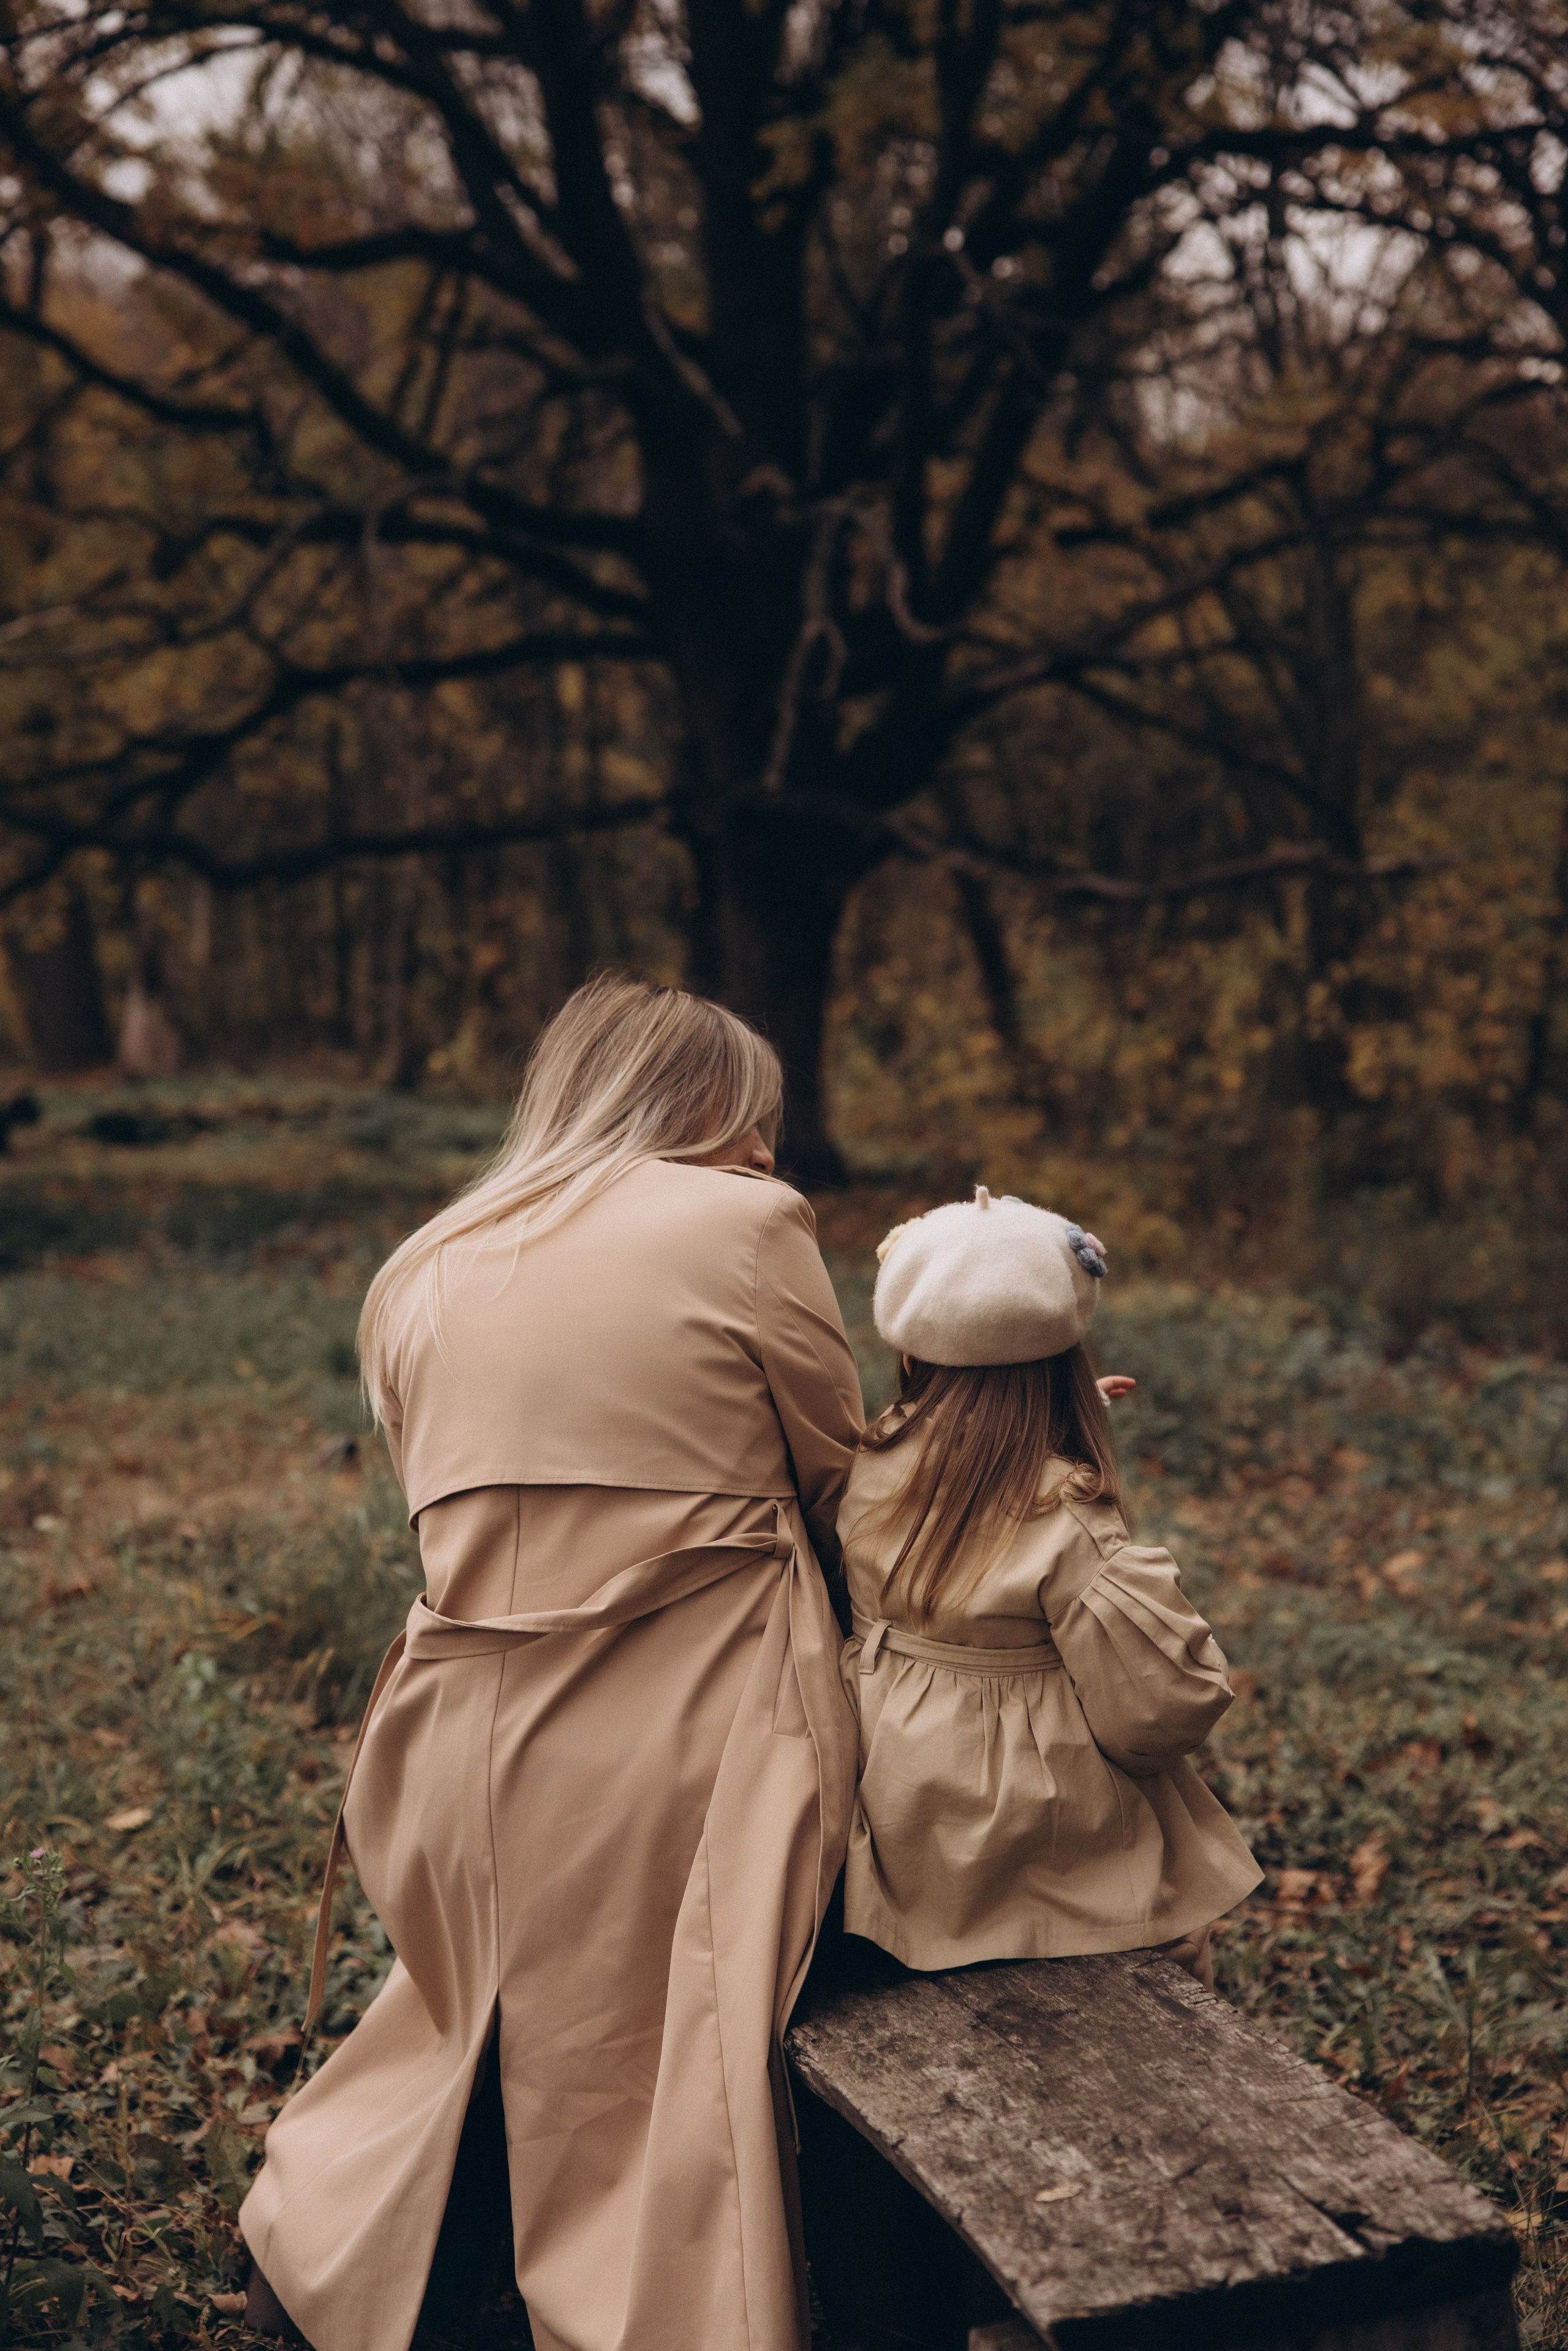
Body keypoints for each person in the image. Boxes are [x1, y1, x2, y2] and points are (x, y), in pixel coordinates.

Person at [239, 978, 865, 2351]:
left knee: (458, 2012)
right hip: (705, 1721)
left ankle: (321, 2257)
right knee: (672, 2049)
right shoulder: (745, 1224)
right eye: (747, 1122)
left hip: (452, 1740)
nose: (766, 1153)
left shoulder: (425, 1261)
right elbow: (843, 1491)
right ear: (686, 1108)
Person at [838, 1186, 1260, 1982]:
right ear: (1069, 1360)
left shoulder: (868, 1464)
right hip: (1029, 1843)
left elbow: (961, 1488)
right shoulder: (1066, 1513)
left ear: (910, 1348)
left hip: (891, 1806)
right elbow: (1158, 1712)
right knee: (1175, 1933)